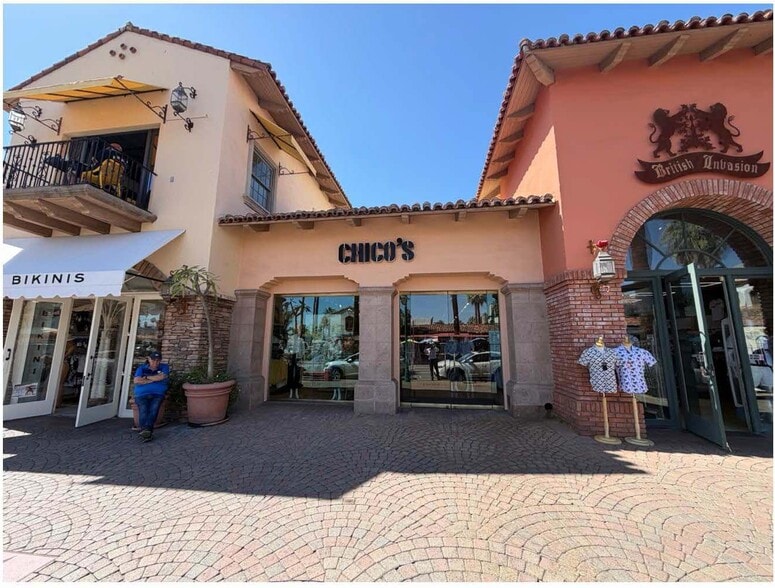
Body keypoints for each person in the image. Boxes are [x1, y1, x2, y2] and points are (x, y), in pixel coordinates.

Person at [133, 351, 169, 442]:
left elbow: (161, 377)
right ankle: (146, 431)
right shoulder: (141, 368)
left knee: (154, 409)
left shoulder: (164, 367)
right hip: (141, 394)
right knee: (143, 410)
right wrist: (154, 379)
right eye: (153, 360)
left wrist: (146, 378)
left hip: (158, 394)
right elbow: (136, 380)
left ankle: (146, 431)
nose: (155, 362)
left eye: (158, 360)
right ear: (149, 359)